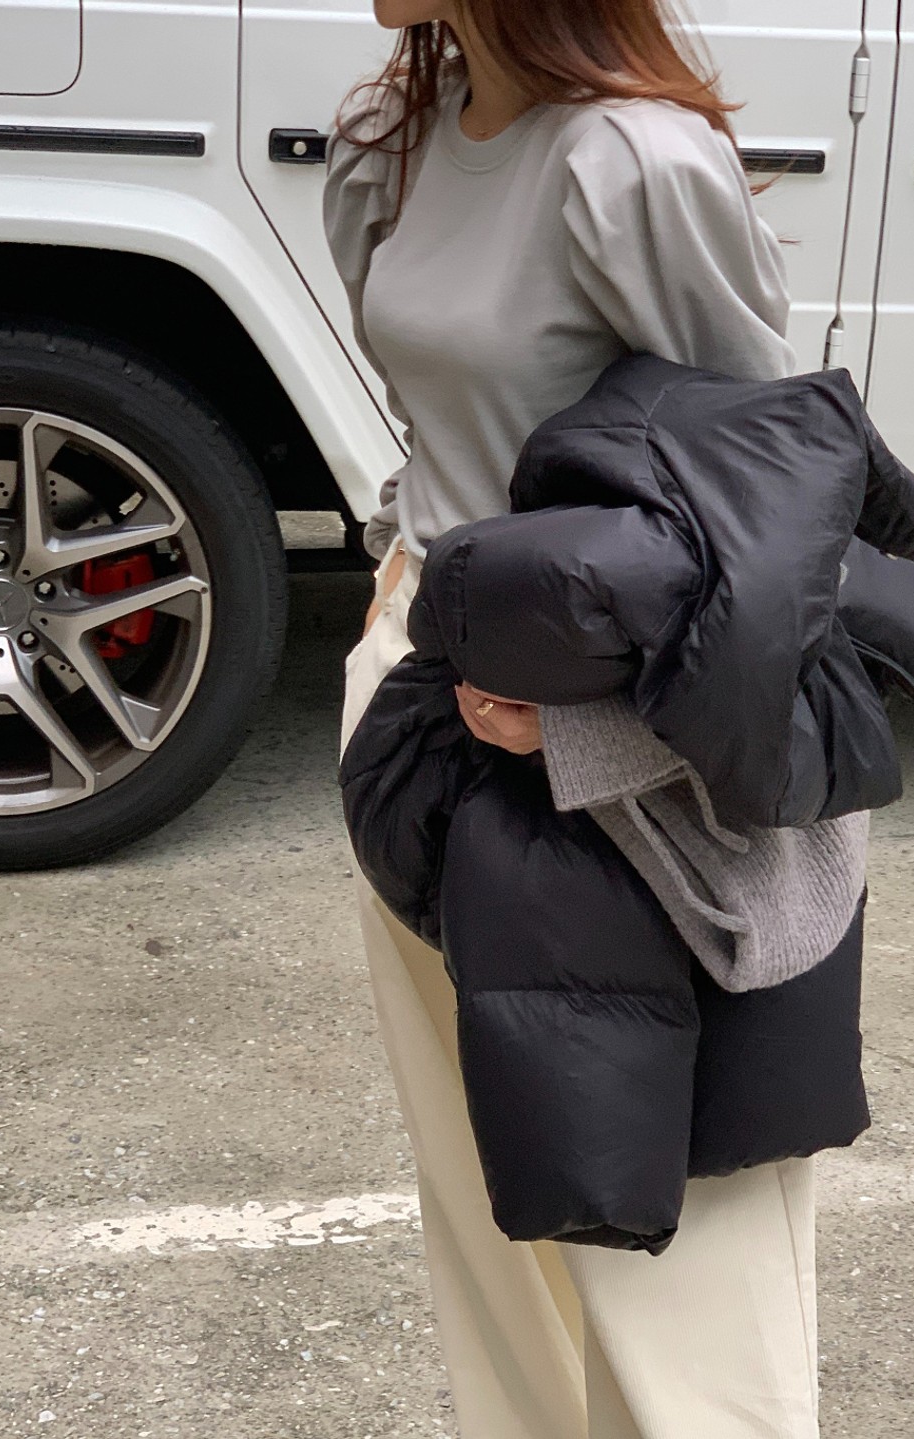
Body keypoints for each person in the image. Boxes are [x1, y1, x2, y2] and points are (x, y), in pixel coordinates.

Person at [325, 3, 828, 1435]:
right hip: (423, 707)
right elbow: (439, 418)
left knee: (680, 1254)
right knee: (492, 1224)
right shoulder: (390, 140)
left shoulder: (634, 164)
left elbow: (775, 512)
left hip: (608, 748)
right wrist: (404, 592)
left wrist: (605, 737)